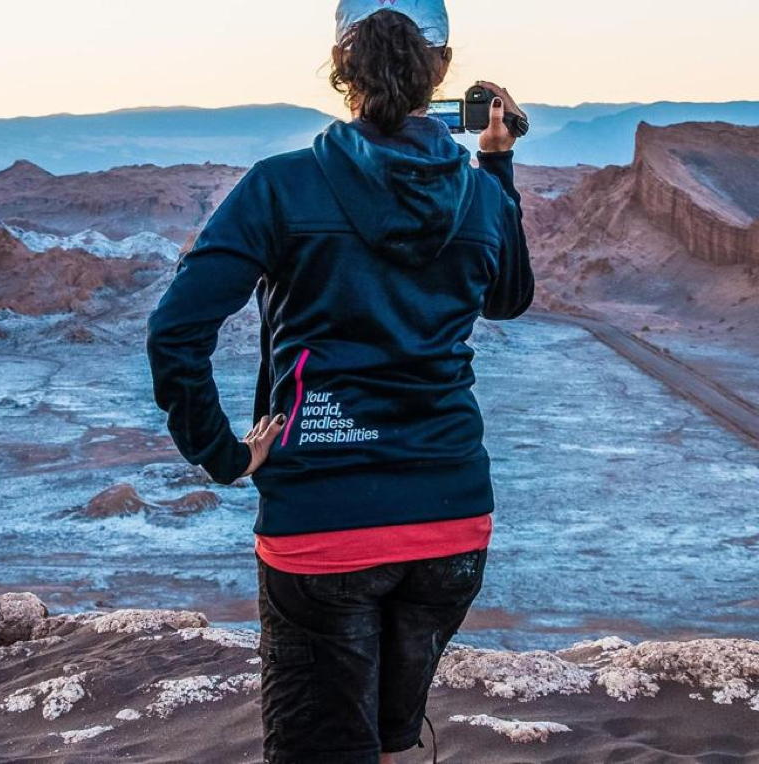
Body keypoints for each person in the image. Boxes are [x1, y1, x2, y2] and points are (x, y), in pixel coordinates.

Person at [146, 0, 533, 761]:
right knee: (391, 742)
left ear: (341, 69)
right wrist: (496, 163)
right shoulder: (481, 196)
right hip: (451, 522)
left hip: (324, 525)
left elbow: (176, 329)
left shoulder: (280, 187)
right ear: (443, 74)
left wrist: (222, 453)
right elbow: (510, 298)